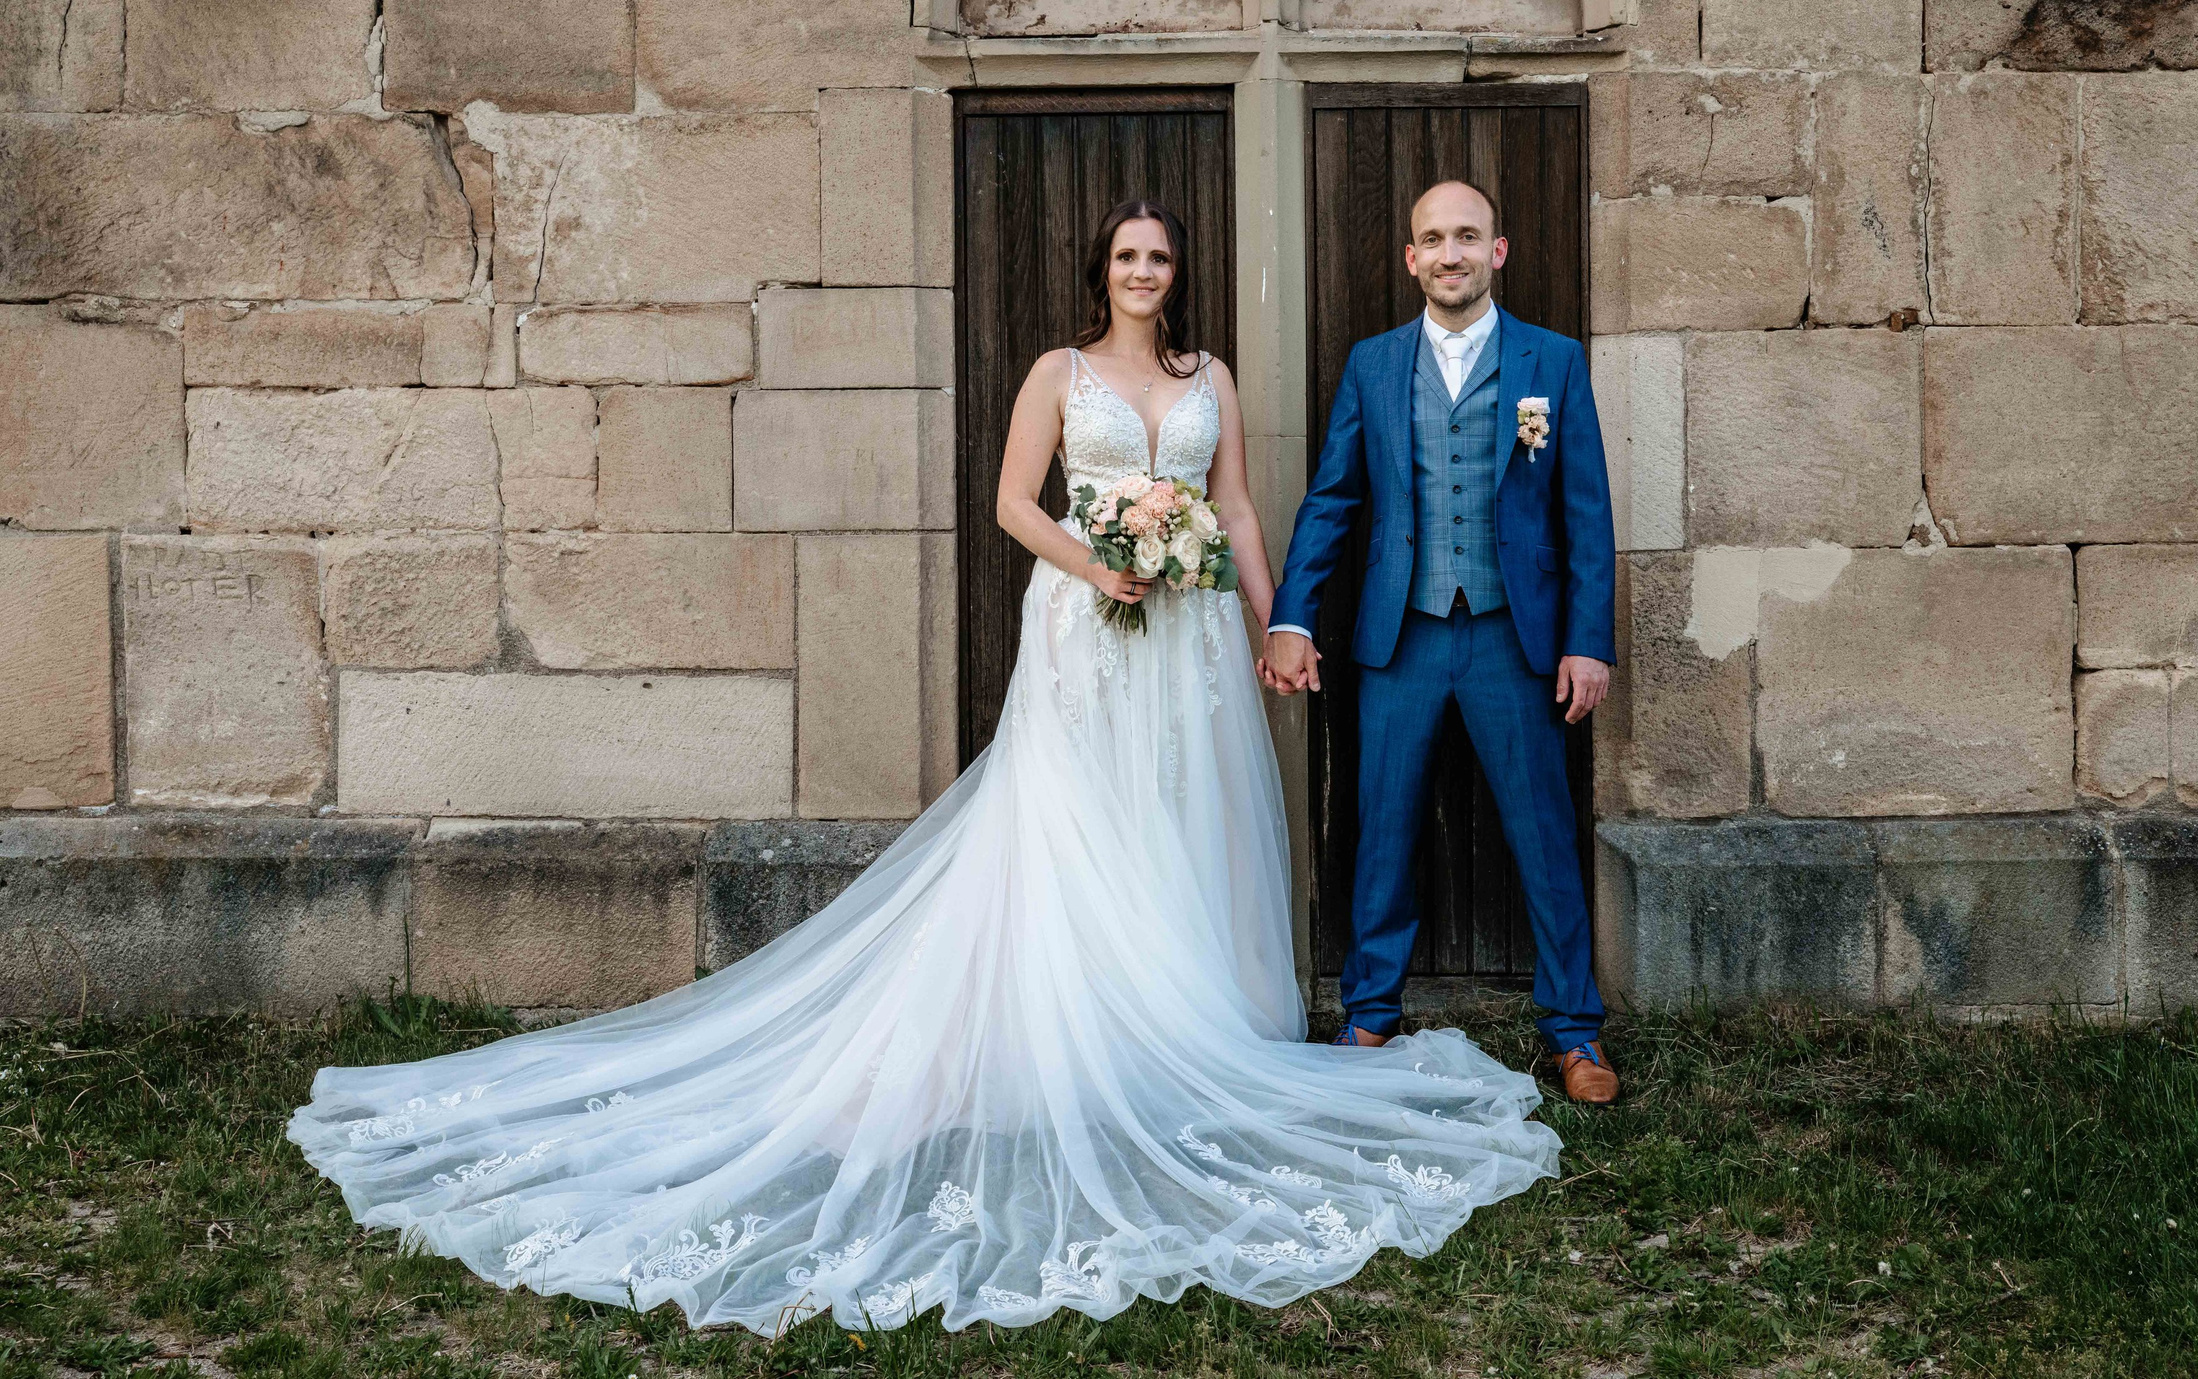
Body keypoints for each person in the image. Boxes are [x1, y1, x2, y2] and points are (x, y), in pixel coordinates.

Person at [289, 198, 1560, 1339]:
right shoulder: (1057, 373)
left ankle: (1183, 1022)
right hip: (1087, 627)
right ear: (1102, 270)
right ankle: (1081, 1029)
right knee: (1077, 819)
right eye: (1127, 256)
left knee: (1184, 815)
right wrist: (1098, 564)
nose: (1143, 272)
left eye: (1160, 259)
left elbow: (1230, 509)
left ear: (1179, 275)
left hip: (1191, 643)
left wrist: (1273, 623)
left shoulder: (1208, 376)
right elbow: (1014, 504)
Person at [1260, 178, 1621, 1106]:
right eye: (1433, 238)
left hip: (1513, 635)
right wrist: (1292, 615)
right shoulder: (1374, 364)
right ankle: (1371, 1011)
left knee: (1543, 832)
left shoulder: (1552, 360)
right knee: (1381, 827)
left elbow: (1585, 512)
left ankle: (1574, 1029)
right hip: (1403, 632)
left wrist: (1588, 640)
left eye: (1467, 236)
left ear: (1496, 251)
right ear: (1411, 258)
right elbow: (1333, 499)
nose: (1450, 253)